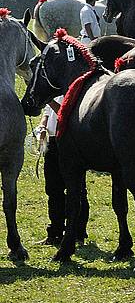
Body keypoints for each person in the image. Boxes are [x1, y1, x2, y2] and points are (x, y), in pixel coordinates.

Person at [35, 96, 89, 246]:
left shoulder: (74, 92)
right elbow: (46, 114)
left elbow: (65, 113)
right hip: (52, 143)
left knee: (77, 190)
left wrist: (49, 100)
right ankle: (55, 232)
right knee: (53, 190)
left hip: (69, 142)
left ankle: (78, 233)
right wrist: (42, 127)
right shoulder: (55, 91)